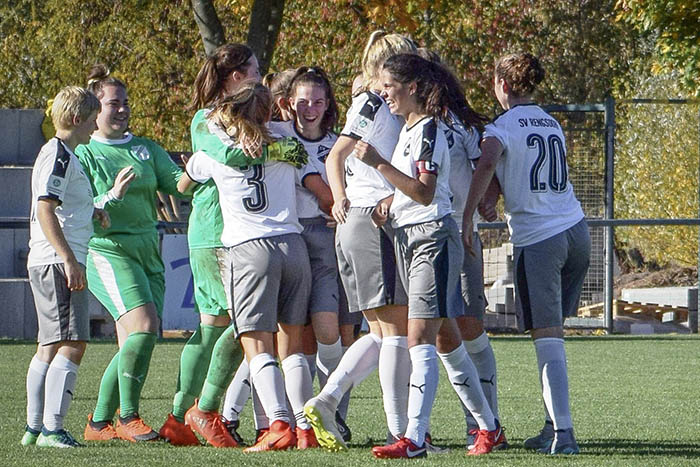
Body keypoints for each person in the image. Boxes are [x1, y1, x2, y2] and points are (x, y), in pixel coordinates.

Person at [351, 53, 504, 459]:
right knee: (445, 339)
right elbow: (412, 193)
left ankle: (414, 438)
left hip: (430, 240)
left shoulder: (429, 129)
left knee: (418, 337)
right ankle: (489, 427)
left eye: (389, 86)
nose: (383, 94)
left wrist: (379, 164)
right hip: (410, 236)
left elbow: (424, 191)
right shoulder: (409, 128)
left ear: (412, 87)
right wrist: (389, 203)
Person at [462, 52, 591, 455]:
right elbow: (520, 168)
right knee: (553, 334)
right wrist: (495, 196)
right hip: (576, 230)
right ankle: (553, 424)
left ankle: (564, 435)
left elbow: (487, 165)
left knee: (547, 338)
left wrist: (469, 215)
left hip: (540, 239)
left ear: (502, 84)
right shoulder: (552, 123)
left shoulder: (500, 127)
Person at [179, 81, 312, 453]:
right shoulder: (287, 138)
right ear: (270, 111)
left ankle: (279, 425)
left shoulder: (218, 150)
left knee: (258, 347)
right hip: (294, 244)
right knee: (293, 346)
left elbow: (186, 181)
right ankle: (304, 428)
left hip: (249, 249)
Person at [304, 31, 415, 452]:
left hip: (367, 219)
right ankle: (399, 434)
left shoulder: (380, 102)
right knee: (397, 332)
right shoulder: (372, 101)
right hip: (370, 221)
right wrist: (344, 201)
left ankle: (328, 399)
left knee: (379, 331)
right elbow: (338, 154)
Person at [159, 42, 263, 447]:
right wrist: (267, 148)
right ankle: (206, 409)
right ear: (235, 76)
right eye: (254, 69)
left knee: (211, 330)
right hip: (218, 234)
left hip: (223, 233)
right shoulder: (206, 119)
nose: (260, 74)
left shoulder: (243, 113)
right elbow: (224, 153)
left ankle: (177, 418)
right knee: (245, 323)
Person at [78, 65, 183, 442]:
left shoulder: (146, 148)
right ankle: (128, 416)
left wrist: (207, 166)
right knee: (143, 327)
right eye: (112, 104)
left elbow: (179, 185)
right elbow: (79, 209)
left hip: (147, 252)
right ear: (94, 109)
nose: (121, 110)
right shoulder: (85, 154)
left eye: (125, 103)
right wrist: (112, 196)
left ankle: (99, 423)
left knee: (138, 340)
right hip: (108, 250)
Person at [417, 47, 504, 449]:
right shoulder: (408, 123)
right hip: (420, 234)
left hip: (458, 232)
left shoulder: (460, 123)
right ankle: (417, 428)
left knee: (468, 325)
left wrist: (484, 203)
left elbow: (489, 168)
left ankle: (485, 420)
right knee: (429, 333)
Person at [22, 86, 106, 448]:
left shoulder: (59, 154)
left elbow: (63, 204)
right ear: (76, 120)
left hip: (48, 259)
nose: (94, 127)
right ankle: (51, 430)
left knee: (49, 345)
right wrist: (69, 259)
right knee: (73, 343)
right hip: (59, 260)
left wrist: (93, 211)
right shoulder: (60, 155)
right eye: (92, 120)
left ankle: (33, 428)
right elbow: (46, 208)